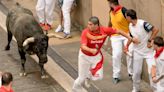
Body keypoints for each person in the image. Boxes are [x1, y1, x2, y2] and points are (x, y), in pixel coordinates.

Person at [72, 16, 134, 92]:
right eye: (88, 24)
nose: (88, 26)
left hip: (96, 57)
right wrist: (91, 50)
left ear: (96, 25)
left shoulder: (105, 30)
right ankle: (75, 88)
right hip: (84, 56)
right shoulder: (85, 32)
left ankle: (88, 76)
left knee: (99, 77)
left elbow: (119, 31)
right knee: (81, 77)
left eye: (90, 24)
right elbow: (83, 46)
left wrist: (128, 37)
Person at [125, 9, 159, 92]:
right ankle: (136, 89)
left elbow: (155, 30)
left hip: (149, 52)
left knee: (152, 72)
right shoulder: (130, 26)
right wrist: (127, 45)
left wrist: (149, 40)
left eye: (126, 17)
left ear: (129, 17)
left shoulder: (143, 24)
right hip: (137, 52)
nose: (125, 18)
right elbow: (131, 36)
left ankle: (156, 90)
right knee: (136, 73)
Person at [107, 0, 133, 84]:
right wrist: (108, 31)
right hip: (115, 36)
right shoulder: (111, 11)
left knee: (129, 53)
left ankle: (131, 73)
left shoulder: (124, 10)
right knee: (116, 55)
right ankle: (116, 75)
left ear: (111, 3)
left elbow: (131, 21)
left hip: (126, 34)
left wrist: (132, 33)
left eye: (108, 2)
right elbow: (110, 22)